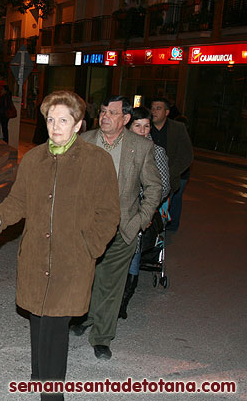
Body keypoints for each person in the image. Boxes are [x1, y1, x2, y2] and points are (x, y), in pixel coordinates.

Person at [0, 91, 120, 400]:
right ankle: (37, 376)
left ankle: (52, 393)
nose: (55, 126)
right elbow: (18, 202)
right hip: (35, 255)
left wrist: (90, 247)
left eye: (63, 120)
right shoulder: (34, 159)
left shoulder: (97, 161)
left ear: (78, 124)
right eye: (50, 119)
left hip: (72, 260)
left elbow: (110, 213)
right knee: (37, 317)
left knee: (55, 327)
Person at [71, 96, 162, 360]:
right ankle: (86, 316)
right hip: (85, 227)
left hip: (123, 227)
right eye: (102, 111)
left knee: (112, 284)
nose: (105, 116)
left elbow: (154, 187)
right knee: (87, 278)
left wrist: (140, 221)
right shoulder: (84, 141)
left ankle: (102, 337)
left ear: (125, 119)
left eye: (112, 113)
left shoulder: (140, 147)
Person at [119, 106, 170, 319]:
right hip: (118, 208)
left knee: (133, 253)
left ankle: (123, 301)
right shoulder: (120, 148)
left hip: (140, 210)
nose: (143, 131)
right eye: (137, 126)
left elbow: (164, 186)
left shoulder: (155, 151)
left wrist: (144, 206)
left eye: (147, 126)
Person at [150, 98, 193, 232]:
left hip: (174, 175)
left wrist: (170, 172)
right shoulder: (146, 127)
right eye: (152, 108)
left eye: (158, 108)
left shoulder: (177, 128)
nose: (154, 111)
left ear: (167, 112)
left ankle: (170, 226)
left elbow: (186, 155)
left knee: (173, 200)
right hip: (151, 175)